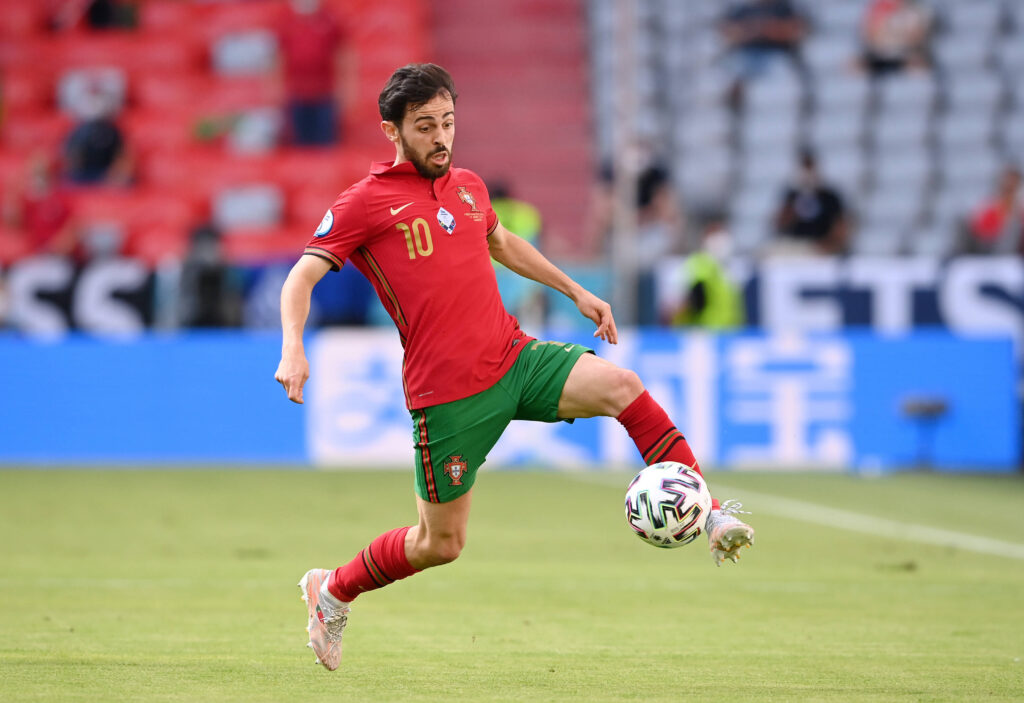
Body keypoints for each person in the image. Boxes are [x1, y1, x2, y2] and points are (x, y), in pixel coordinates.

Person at [273, 63, 755, 672]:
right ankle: (334, 590)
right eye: (425, 127)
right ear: (391, 130)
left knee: (623, 386)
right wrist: (293, 347)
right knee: (440, 543)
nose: (441, 138)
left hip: (514, 357)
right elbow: (301, 277)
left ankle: (709, 513)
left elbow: (502, 244)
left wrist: (575, 292)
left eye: (448, 122)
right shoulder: (365, 203)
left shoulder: (468, 186)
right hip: (448, 395)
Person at [274, 0, 356, 146]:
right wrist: (275, 89)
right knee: (298, 145)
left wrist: (347, 88)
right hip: (296, 96)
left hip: (324, 95)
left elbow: (343, 56)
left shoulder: (330, 20)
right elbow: (278, 58)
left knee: (325, 144)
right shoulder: (285, 22)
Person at [672, 216, 745, 330]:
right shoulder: (699, 264)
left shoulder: (728, 267)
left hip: (730, 332)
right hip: (705, 331)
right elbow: (694, 300)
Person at [773, 150, 849, 255]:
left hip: (822, 246)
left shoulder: (830, 196)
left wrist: (830, 243)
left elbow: (841, 225)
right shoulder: (791, 196)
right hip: (796, 246)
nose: (807, 173)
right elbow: (779, 224)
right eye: (804, 168)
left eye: (810, 168)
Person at [858, 0, 933, 76]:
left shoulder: (917, 11)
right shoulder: (880, 8)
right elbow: (872, 35)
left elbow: (917, 37)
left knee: (919, 67)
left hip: (908, 55)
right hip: (879, 56)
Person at [963, 166, 1022, 255]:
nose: (1009, 192)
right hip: (989, 254)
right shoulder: (989, 208)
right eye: (1006, 188)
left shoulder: (1020, 210)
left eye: (1012, 188)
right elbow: (981, 235)